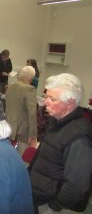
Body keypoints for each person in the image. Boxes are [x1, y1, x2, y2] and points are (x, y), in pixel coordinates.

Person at [28, 73, 92, 214]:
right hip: (39, 197)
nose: (45, 102)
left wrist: (54, 207)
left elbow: (76, 185)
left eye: (52, 99)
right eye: (46, 97)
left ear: (69, 103)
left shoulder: (79, 137)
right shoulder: (56, 121)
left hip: (53, 206)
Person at [5, 66, 37, 156]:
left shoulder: (10, 87)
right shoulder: (30, 89)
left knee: (11, 156)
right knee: (22, 159)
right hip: (23, 130)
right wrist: (33, 136)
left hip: (9, 127)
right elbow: (32, 114)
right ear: (31, 78)